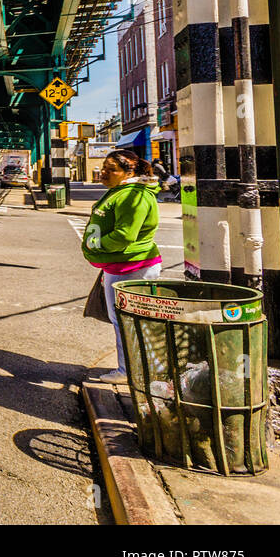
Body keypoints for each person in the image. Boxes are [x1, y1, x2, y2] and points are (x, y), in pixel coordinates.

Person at [81, 148, 162, 384]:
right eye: (103, 168)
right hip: (119, 268)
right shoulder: (121, 191)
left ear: (129, 172)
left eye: (111, 169)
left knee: (127, 321)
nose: (103, 173)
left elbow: (125, 235)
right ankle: (138, 370)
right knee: (124, 320)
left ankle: (129, 372)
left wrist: (96, 246)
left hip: (132, 268)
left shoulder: (132, 196)